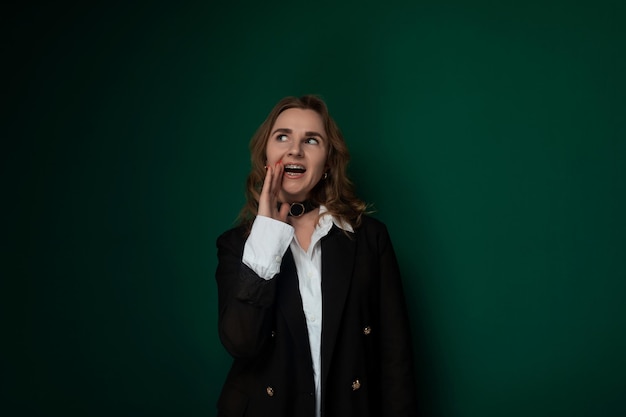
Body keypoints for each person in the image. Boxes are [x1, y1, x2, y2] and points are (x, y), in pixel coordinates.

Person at [215, 95, 417, 417]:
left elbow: (396, 358)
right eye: (283, 137)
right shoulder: (235, 246)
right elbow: (241, 342)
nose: (295, 149)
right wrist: (267, 234)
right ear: (266, 155)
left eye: (311, 140)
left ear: (328, 162)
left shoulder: (370, 239)